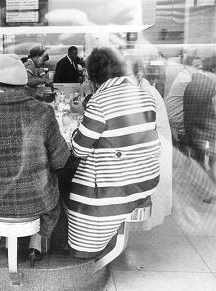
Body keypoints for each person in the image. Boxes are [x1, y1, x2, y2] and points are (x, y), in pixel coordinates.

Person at [0, 54, 69, 266]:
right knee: (52, 200)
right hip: (36, 200)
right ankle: (36, 244)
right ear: (24, 83)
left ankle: (9, 242)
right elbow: (60, 160)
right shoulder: (43, 112)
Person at [68, 47, 160, 259]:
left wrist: (76, 132)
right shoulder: (146, 96)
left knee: (66, 179)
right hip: (145, 177)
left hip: (118, 183)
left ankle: (81, 248)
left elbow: (80, 150)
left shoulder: (100, 100)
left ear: (92, 77)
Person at [126, 56, 173, 230]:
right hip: (152, 145)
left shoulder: (147, 93)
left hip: (156, 148)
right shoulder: (139, 89)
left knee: (152, 196)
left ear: (139, 74)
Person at [183, 55, 216, 201]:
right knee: (208, 163)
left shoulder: (193, 83)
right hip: (206, 132)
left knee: (204, 162)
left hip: (195, 132)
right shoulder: (210, 85)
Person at [165, 56, 201, 141]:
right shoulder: (186, 79)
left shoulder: (185, 75)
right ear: (188, 67)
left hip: (175, 117)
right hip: (177, 119)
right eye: (196, 66)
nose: (200, 69)